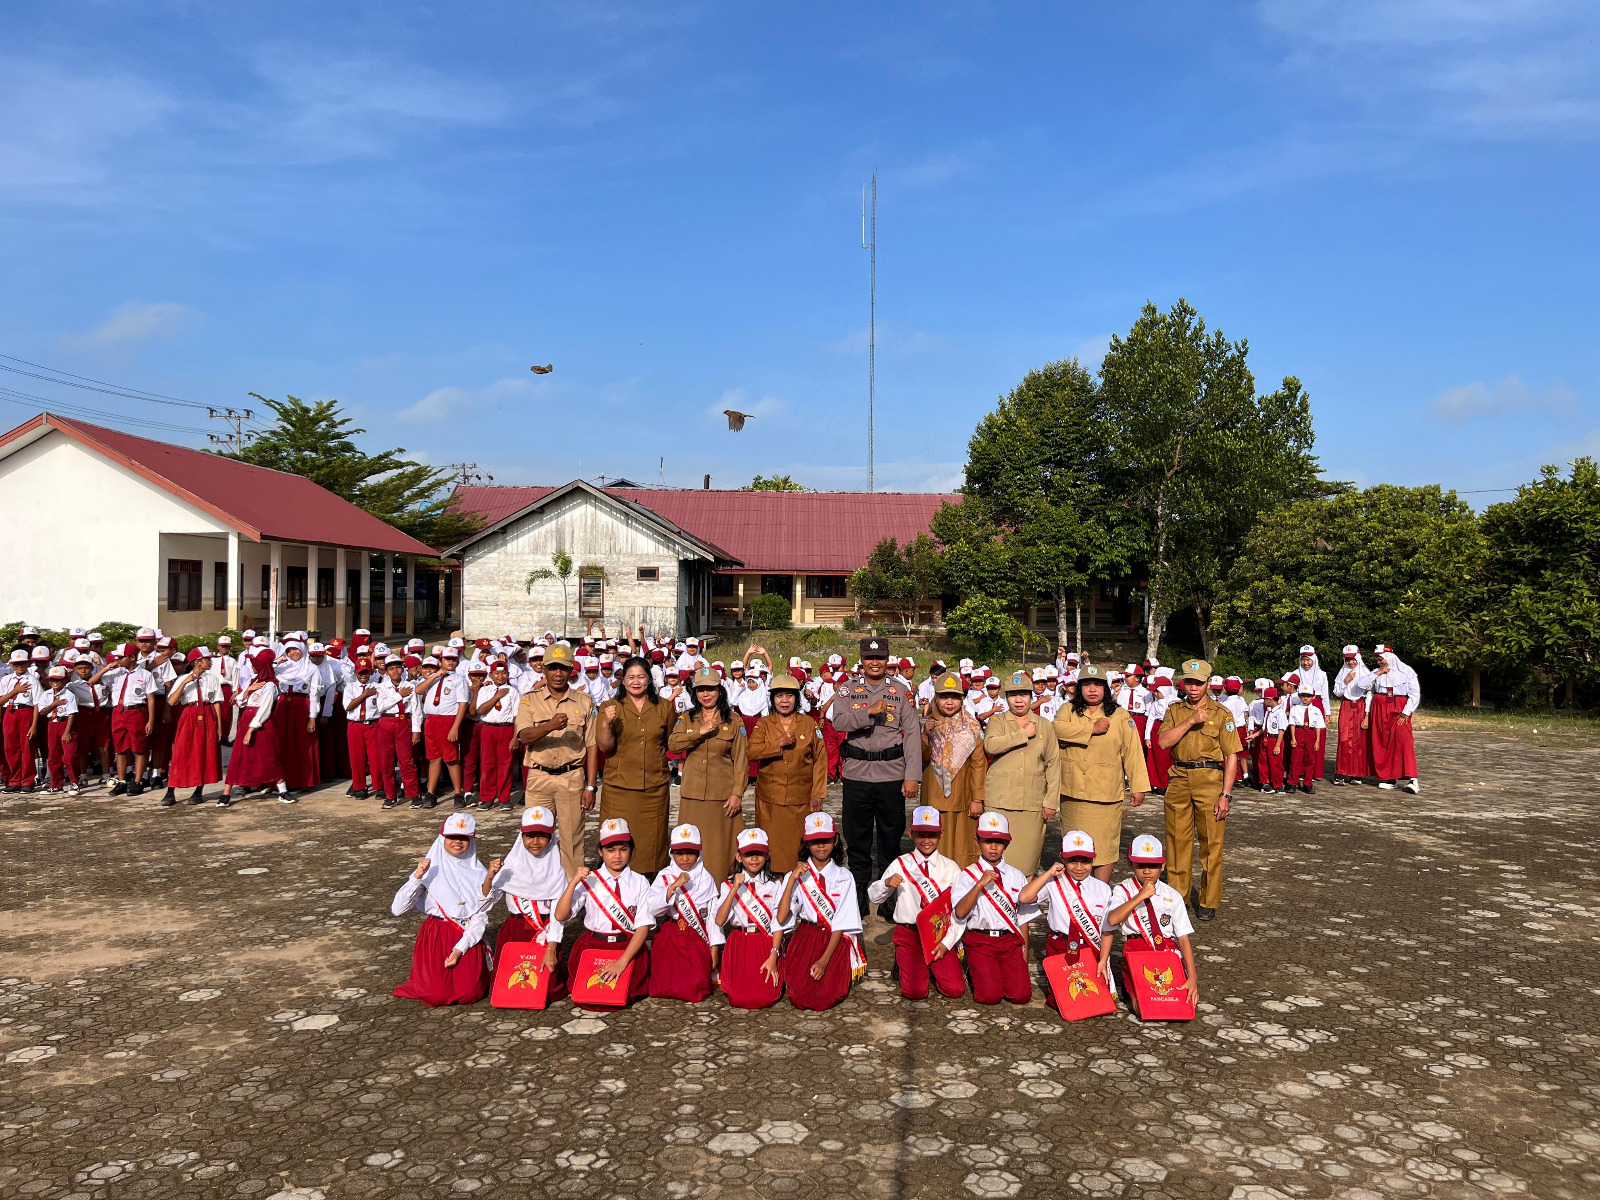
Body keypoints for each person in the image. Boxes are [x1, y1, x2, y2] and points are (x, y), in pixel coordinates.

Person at [829, 637, 922, 912]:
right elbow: (838, 722)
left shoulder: (900, 691)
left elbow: (913, 734)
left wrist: (912, 775)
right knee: (856, 841)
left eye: (880, 658)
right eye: (870, 658)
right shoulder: (847, 690)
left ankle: (887, 897)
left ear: (887, 660)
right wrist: (867, 712)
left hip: (891, 775)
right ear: (862, 660)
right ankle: (858, 897)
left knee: (890, 841)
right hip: (857, 775)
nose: (875, 663)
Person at [1155, 659, 1242, 922]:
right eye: (1189, 682)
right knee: (1176, 842)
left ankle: (1208, 900)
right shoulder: (1174, 710)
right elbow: (1163, 742)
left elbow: (1232, 756)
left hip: (1210, 779)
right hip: (1179, 778)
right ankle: (1178, 896)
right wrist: (1191, 720)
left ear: (1208, 683)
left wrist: (1226, 794)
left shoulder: (1222, 714)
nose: (1193, 688)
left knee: (1211, 844)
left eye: (1199, 683)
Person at [1053, 664, 1149, 883]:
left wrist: (1138, 786)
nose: (1092, 689)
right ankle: (1073, 893)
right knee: (1074, 846)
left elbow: (1133, 752)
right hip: (1073, 792)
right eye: (1087, 685)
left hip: (1106, 792)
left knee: (1104, 847)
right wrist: (1091, 729)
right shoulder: (1067, 711)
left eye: (1098, 685)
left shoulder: (1120, 715)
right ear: (1079, 688)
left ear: (1106, 688)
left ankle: (1101, 892)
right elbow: (1055, 730)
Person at [515, 644, 600, 874]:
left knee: (572, 841)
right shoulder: (529, 700)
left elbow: (592, 745)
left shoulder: (584, 702)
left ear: (571, 669)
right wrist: (550, 725)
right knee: (536, 838)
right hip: (539, 777)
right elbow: (524, 736)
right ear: (544, 669)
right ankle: (538, 892)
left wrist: (591, 786)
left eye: (563, 668)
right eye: (553, 668)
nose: (558, 673)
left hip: (572, 778)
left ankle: (573, 895)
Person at [391, 812, 491, 1007]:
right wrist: (417, 877)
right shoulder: (429, 869)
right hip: (437, 936)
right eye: (452, 837)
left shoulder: (481, 873)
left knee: (471, 993)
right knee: (436, 996)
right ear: (442, 838)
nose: (458, 842)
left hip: (467, 935)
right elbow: (398, 909)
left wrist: (460, 948)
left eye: (464, 838)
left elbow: (480, 915)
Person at [867, 806, 964, 1001]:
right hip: (909, 933)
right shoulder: (901, 864)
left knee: (955, 990)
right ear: (911, 834)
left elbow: (958, 913)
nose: (926, 840)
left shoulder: (951, 867)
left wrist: (946, 944)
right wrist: (886, 884)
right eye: (920, 834)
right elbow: (874, 897)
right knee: (915, 992)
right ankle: (906, 963)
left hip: (938, 934)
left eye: (932, 834)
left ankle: (927, 967)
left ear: (941, 834)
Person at [554, 817, 652, 1008]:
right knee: (589, 993)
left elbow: (642, 927)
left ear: (631, 850)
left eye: (623, 849)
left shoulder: (640, 881)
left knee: (628, 992)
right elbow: (560, 915)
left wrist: (622, 962)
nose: (617, 856)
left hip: (626, 947)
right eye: (610, 850)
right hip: (594, 945)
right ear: (600, 851)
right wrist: (573, 882)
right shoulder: (590, 879)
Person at [595, 656, 676, 876]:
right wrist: (606, 723)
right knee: (616, 841)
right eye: (631, 677)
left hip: (654, 789)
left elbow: (669, 741)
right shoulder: (610, 707)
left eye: (641, 676)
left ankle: (649, 893)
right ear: (623, 681)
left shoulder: (665, 707)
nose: (636, 681)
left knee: (653, 845)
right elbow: (605, 746)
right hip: (619, 788)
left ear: (650, 679)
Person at [668, 668, 750, 880]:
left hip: (722, 797)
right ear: (694, 693)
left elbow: (741, 760)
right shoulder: (686, 719)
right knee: (690, 847)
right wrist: (699, 732)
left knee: (720, 852)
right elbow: (674, 745)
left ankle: (721, 893)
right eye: (701, 690)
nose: (706, 694)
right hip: (693, 796)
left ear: (719, 691)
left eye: (711, 689)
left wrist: (737, 794)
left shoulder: (733, 720)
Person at [1019, 830, 1116, 1005]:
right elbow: (1024, 898)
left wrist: (1103, 960)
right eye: (1072, 861)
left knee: (1095, 1000)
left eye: (1086, 861)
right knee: (1063, 1000)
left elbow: (1107, 930)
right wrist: (1048, 873)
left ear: (1094, 859)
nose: (1079, 867)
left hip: (1089, 946)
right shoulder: (1054, 883)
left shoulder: (1103, 889)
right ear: (1062, 858)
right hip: (1060, 946)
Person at [950, 812, 1037, 1005]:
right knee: (990, 997)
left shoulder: (1016, 876)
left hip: (1009, 942)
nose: (993, 847)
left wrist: (1023, 954)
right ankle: (977, 971)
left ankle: (996, 972)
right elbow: (960, 913)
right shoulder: (968, 875)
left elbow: (1022, 918)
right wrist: (979, 885)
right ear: (977, 841)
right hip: (981, 941)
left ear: (1007, 843)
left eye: (999, 841)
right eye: (987, 841)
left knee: (1021, 996)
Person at [777, 811, 861, 1011]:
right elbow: (781, 917)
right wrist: (791, 881)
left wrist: (824, 961)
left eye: (826, 839)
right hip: (806, 936)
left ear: (836, 839)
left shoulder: (845, 876)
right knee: (798, 996)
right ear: (806, 843)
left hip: (834, 938)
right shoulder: (796, 875)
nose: (821, 846)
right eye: (814, 841)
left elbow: (842, 922)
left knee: (826, 996)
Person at [485, 805, 570, 1002]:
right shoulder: (508, 868)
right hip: (514, 932)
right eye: (530, 835)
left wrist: (551, 949)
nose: (535, 842)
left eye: (542, 836)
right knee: (508, 988)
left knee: (546, 990)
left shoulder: (557, 871)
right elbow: (485, 903)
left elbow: (558, 915)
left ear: (551, 838)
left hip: (545, 933)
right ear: (521, 836)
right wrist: (489, 878)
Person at [746, 674, 828, 873]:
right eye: (779, 695)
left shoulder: (809, 724)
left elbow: (820, 759)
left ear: (796, 698)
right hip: (769, 800)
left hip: (800, 799)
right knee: (771, 849)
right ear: (772, 699)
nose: (784, 701)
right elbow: (752, 752)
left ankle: (795, 887)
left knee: (796, 850)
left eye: (789, 696)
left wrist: (817, 793)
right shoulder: (764, 724)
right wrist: (778, 744)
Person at [1105, 834, 1199, 1008]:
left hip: (1167, 950)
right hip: (1136, 948)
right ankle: (1132, 991)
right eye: (1141, 865)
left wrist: (1192, 978)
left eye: (1153, 865)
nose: (1147, 871)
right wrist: (1140, 896)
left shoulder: (1173, 895)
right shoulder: (1123, 889)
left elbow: (1184, 938)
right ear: (1130, 864)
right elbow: (1112, 919)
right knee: (1144, 1007)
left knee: (1183, 1005)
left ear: (1163, 865)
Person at [983, 670, 1061, 873]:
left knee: (1027, 862)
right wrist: (1022, 734)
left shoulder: (1044, 725)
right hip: (1000, 800)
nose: (1019, 700)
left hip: (1032, 802)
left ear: (1031, 696)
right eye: (1013, 695)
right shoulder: (997, 721)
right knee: (997, 863)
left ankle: (1024, 903)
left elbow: (1053, 763)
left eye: (1024, 695)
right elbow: (991, 745)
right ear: (1006, 697)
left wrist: (1051, 801)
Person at [710, 827, 790, 1009]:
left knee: (766, 997)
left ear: (767, 855)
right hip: (741, 943)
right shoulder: (728, 884)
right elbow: (719, 921)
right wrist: (734, 890)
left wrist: (774, 955)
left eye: (759, 853)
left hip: (766, 942)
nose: (754, 859)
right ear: (739, 857)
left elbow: (779, 923)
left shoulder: (775, 884)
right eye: (748, 854)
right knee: (738, 998)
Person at [642, 823, 719, 1002]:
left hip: (697, 935)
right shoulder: (664, 875)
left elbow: (713, 917)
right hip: (671, 933)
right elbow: (652, 908)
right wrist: (672, 887)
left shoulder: (706, 878)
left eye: (690, 853)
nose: (685, 859)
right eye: (679, 853)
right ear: (672, 853)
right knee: (663, 984)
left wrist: (714, 947)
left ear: (699, 853)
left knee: (696, 986)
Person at [919, 671, 985, 867]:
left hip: (963, 795)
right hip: (933, 794)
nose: (949, 702)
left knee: (961, 846)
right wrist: (925, 734)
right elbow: (921, 758)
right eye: (944, 697)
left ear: (962, 699)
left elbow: (979, 764)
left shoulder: (972, 727)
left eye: (955, 697)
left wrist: (977, 798)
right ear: (936, 699)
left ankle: (960, 890)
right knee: (932, 842)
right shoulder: (928, 723)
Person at [224, 648, 292, 806]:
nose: (252, 666)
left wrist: (251, 729)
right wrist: (247, 691)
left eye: (255, 664)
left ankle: (282, 790)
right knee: (238, 756)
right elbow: (239, 701)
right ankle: (226, 793)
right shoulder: (254, 682)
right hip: (246, 719)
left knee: (269, 755)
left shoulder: (270, 686)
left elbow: (265, 709)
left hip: (261, 724)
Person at [162, 648, 224, 806]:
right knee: (181, 752)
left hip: (208, 713)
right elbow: (172, 701)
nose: (210, 662)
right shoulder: (183, 678)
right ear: (198, 662)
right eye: (207, 659)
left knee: (204, 752)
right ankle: (171, 790)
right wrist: (185, 682)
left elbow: (216, 702)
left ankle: (198, 790)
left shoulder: (213, 679)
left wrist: (219, 727)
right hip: (189, 713)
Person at [1361, 645, 1420, 793]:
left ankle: (1412, 779)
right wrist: (1379, 673)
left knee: (1403, 740)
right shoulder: (1377, 673)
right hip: (1380, 707)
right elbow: (1362, 685)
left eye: (1381, 659)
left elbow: (1414, 694)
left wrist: (1406, 712)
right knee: (1382, 741)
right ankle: (1388, 777)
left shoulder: (1406, 671)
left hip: (1399, 707)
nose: (1379, 662)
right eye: (1378, 659)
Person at [102, 644, 156, 796]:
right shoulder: (116, 673)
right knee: (120, 749)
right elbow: (92, 681)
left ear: (132, 658)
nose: (118, 660)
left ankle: (138, 781)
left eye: (121, 658)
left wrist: (150, 720)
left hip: (136, 711)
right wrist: (107, 668)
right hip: (118, 712)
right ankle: (122, 781)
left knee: (139, 747)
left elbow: (150, 698)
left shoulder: (145, 674)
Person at [272, 639, 322, 795]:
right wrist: (275, 662)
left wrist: (312, 717)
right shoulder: (280, 668)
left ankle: (303, 781)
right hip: (282, 707)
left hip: (302, 706)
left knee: (301, 744)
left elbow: (315, 694)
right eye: (289, 650)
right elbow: (262, 671)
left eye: (296, 649)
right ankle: (282, 781)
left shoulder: (312, 669)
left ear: (302, 650)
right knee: (282, 743)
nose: (292, 653)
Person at [374, 655, 424, 810]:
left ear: (402, 669)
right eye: (391, 668)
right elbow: (381, 707)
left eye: (398, 667)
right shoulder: (381, 687)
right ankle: (390, 796)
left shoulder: (409, 686)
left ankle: (414, 794)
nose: (395, 671)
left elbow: (416, 710)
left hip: (404, 721)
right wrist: (398, 695)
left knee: (406, 760)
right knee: (386, 761)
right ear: (386, 672)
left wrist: (416, 730)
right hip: (386, 722)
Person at [472, 660, 520, 809]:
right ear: (491, 675)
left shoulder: (513, 691)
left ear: (508, 674)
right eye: (497, 673)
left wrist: (515, 737)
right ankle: (487, 797)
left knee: (505, 765)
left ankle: (504, 798)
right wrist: (497, 697)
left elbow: (517, 715)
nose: (500, 676)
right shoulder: (485, 691)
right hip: (488, 728)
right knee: (487, 764)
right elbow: (480, 710)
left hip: (506, 729)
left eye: (504, 673)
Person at [1331, 646, 1374, 785]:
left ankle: (1356, 774)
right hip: (1347, 705)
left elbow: (1369, 695)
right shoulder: (1343, 672)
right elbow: (1337, 692)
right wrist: (1346, 681)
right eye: (1348, 659)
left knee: (1359, 740)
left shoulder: (1366, 673)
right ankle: (1341, 772)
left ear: (1358, 658)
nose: (1351, 662)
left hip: (1361, 706)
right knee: (1344, 739)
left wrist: (1367, 715)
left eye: (1353, 659)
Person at [2, 649, 43, 792]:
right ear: (11, 665)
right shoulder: (6, 679)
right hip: (10, 712)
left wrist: (34, 725)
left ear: (28, 663)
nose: (20, 667)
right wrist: (15, 691)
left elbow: (38, 703)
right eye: (17, 664)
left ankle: (27, 780)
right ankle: (14, 780)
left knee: (26, 747)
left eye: (23, 663)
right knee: (10, 747)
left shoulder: (32, 680)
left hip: (26, 712)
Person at [343, 658, 381, 799]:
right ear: (355, 673)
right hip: (356, 725)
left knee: (376, 757)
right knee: (356, 758)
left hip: (372, 724)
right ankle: (359, 787)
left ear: (370, 672)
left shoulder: (377, 687)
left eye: (366, 672)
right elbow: (348, 706)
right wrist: (364, 695)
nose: (363, 675)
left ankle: (379, 786)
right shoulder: (350, 687)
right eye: (360, 673)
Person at [37, 665, 78, 794]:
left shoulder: (69, 695)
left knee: (69, 756)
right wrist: (54, 704)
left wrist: (67, 731)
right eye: (52, 680)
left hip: (65, 723)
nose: (55, 683)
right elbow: (42, 712)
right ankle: (56, 783)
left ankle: (74, 783)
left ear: (64, 680)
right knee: (53, 755)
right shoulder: (46, 694)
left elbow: (72, 714)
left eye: (58, 680)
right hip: (52, 724)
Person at [1287, 684, 1327, 794]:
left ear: (1313, 697)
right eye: (1303, 696)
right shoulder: (1295, 709)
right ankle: (1292, 782)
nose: (1305, 698)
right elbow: (1292, 724)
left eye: (1308, 696)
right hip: (1299, 732)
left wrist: (1317, 741)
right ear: (1299, 696)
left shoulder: (1316, 710)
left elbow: (1318, 727)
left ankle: (1308, 783)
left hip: (1310, 733)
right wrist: (1293, 738)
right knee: (1296, 759)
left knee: (1310, 759)